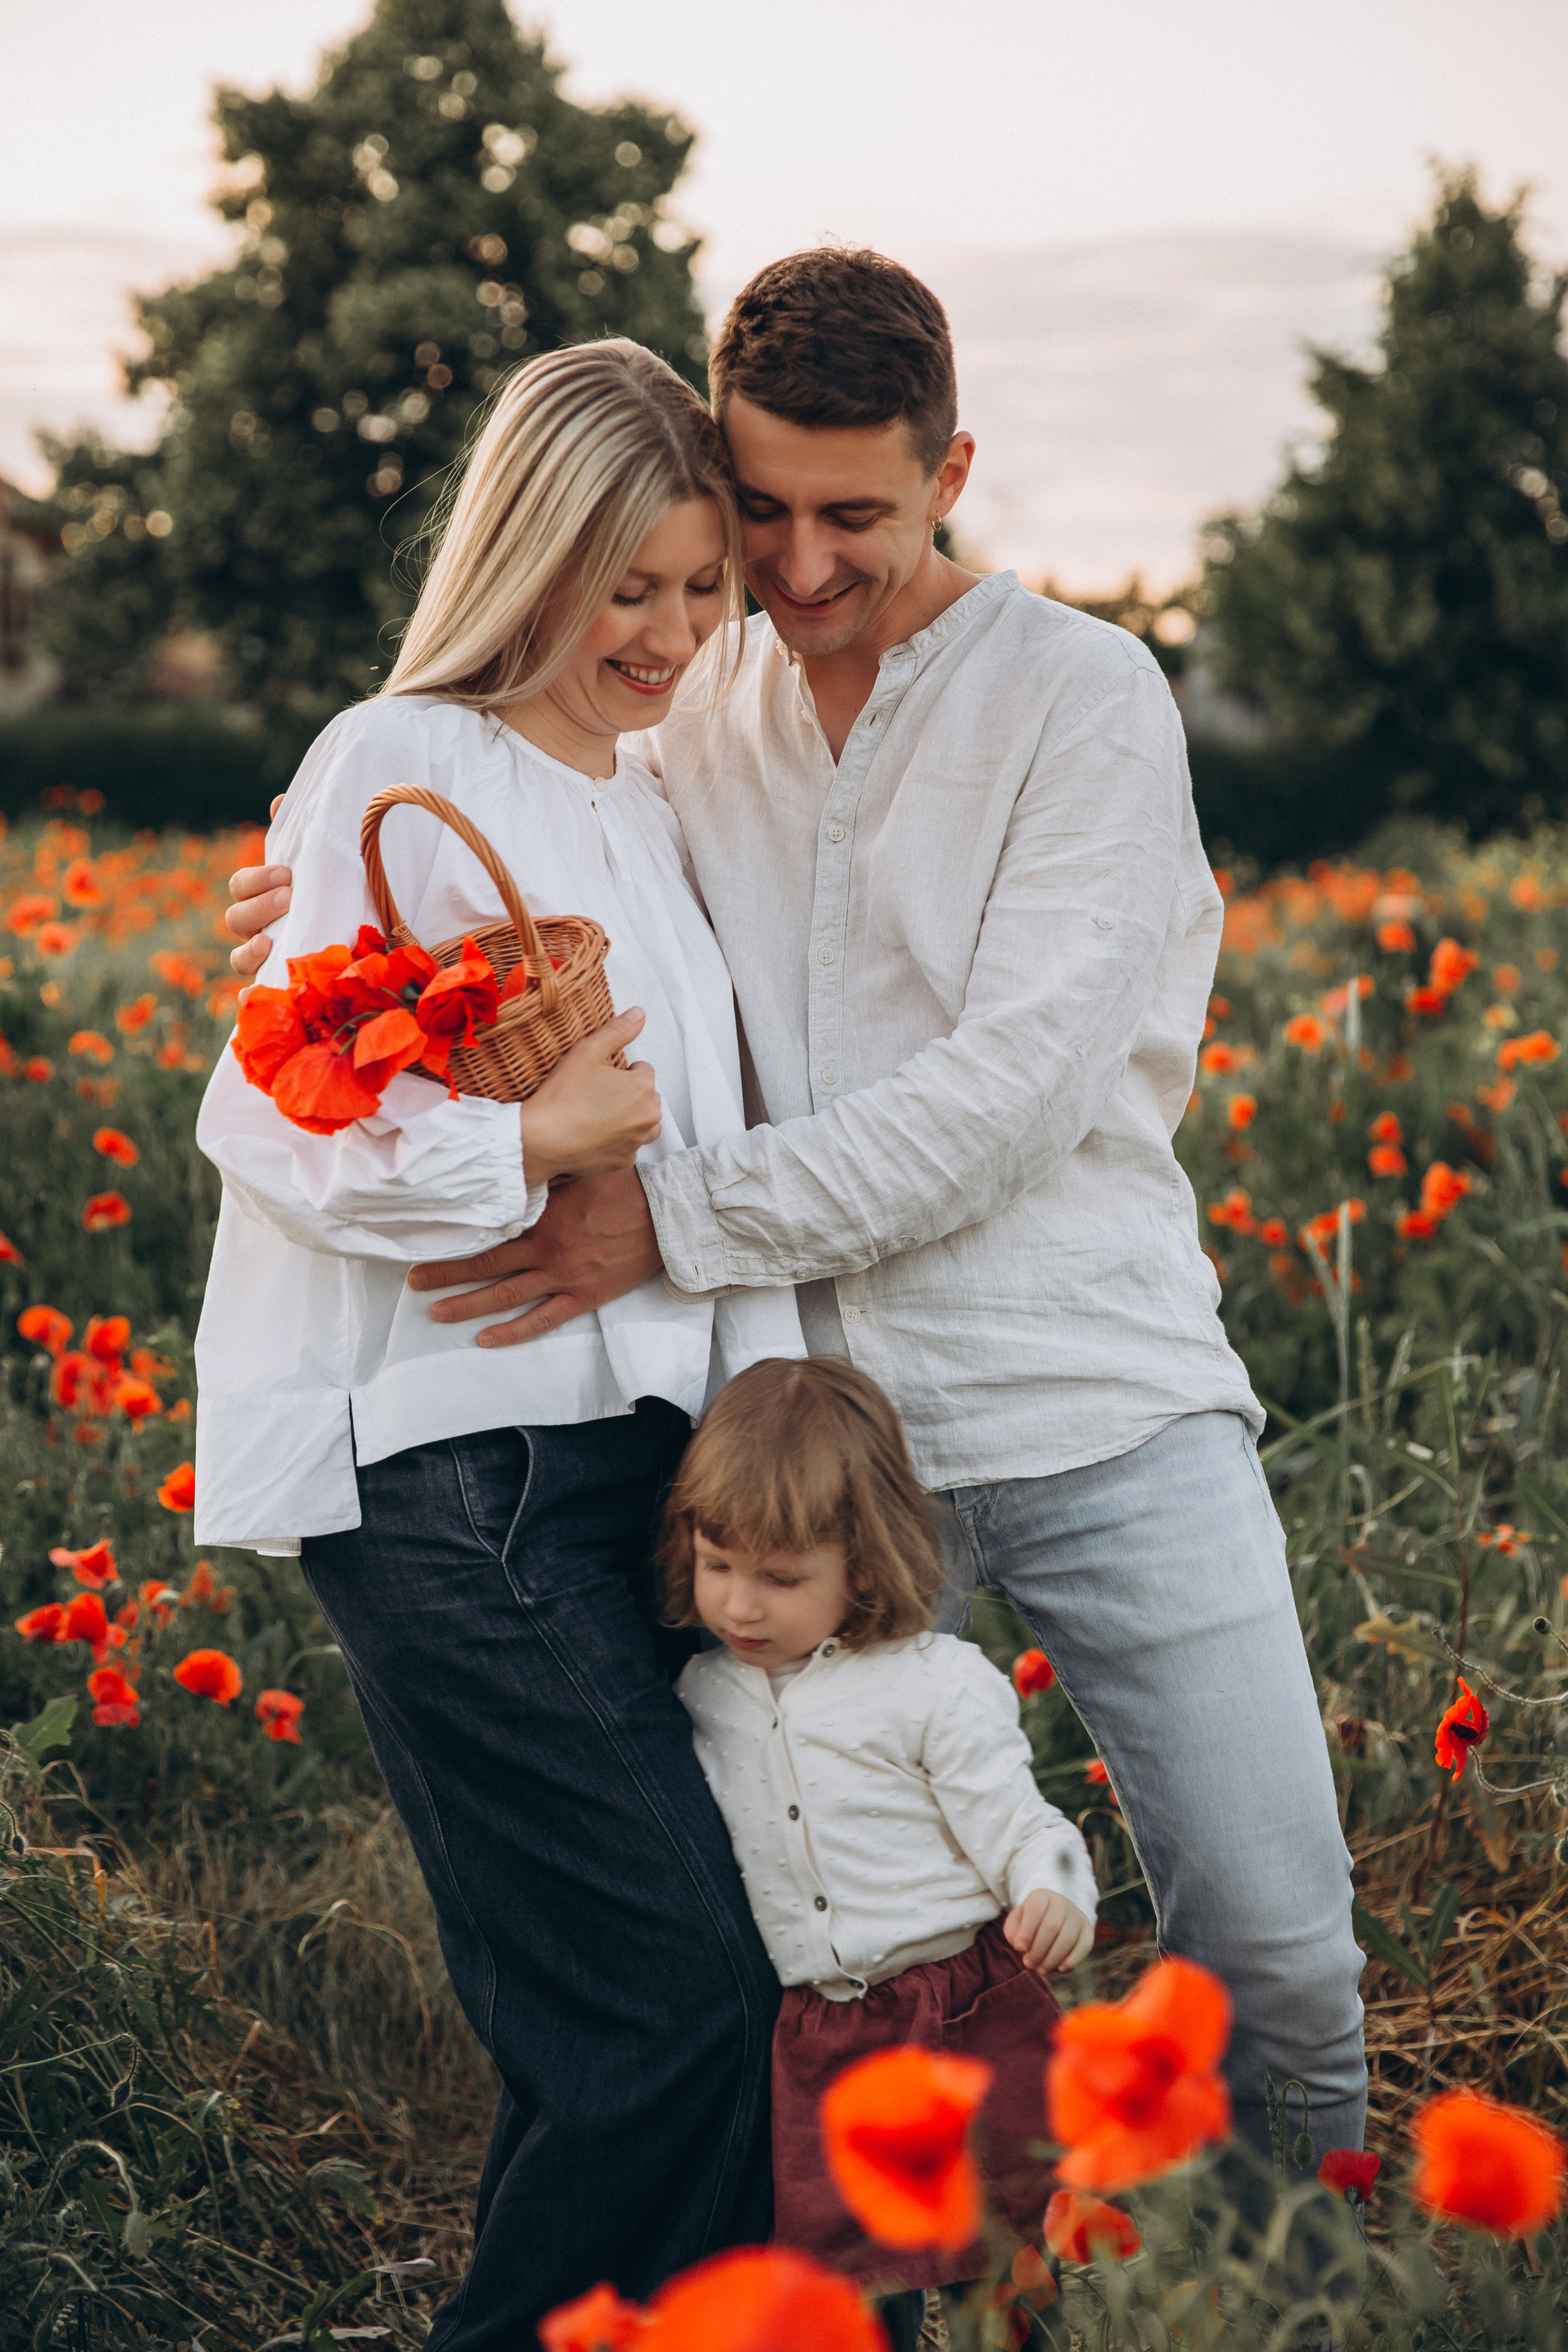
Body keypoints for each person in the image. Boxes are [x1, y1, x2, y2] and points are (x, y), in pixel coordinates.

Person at [225, 250, 1367, 2171]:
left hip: (1091, 1394)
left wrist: (664, 1216)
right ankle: (920, 2295)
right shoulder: (693, 687)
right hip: (794, 1457)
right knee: (829, 1967)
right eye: (760, 510)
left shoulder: (1083, 700)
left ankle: (1304, 2294)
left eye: (859, 514)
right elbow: (515, 818)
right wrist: (305, 905)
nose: (801, 562)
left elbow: (1004, 1103)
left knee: (1269, 1934)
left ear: (954, 471)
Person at [195, 339, 806, 2350]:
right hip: (459, 1481)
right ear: (527, 552)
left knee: (628, 2034)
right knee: (676, 2018)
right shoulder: (402, 758)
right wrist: (521, 1144)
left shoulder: (645, 800)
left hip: (638, 1481)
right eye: (627, 584)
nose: (671, 631)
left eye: (702, 585)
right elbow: (272, 1117)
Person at [661, 1355, 1096, 2352]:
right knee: (847, 2292)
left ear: (861, 1563)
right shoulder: (699, 1696)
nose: (740, 1607)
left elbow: (1026, 1823)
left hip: (959, 2014)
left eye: (781, 1579)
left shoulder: (932, 1684)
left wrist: (1053, 1888)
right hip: (819, 2037)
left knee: (1005, 2267)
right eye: (717, 1564)